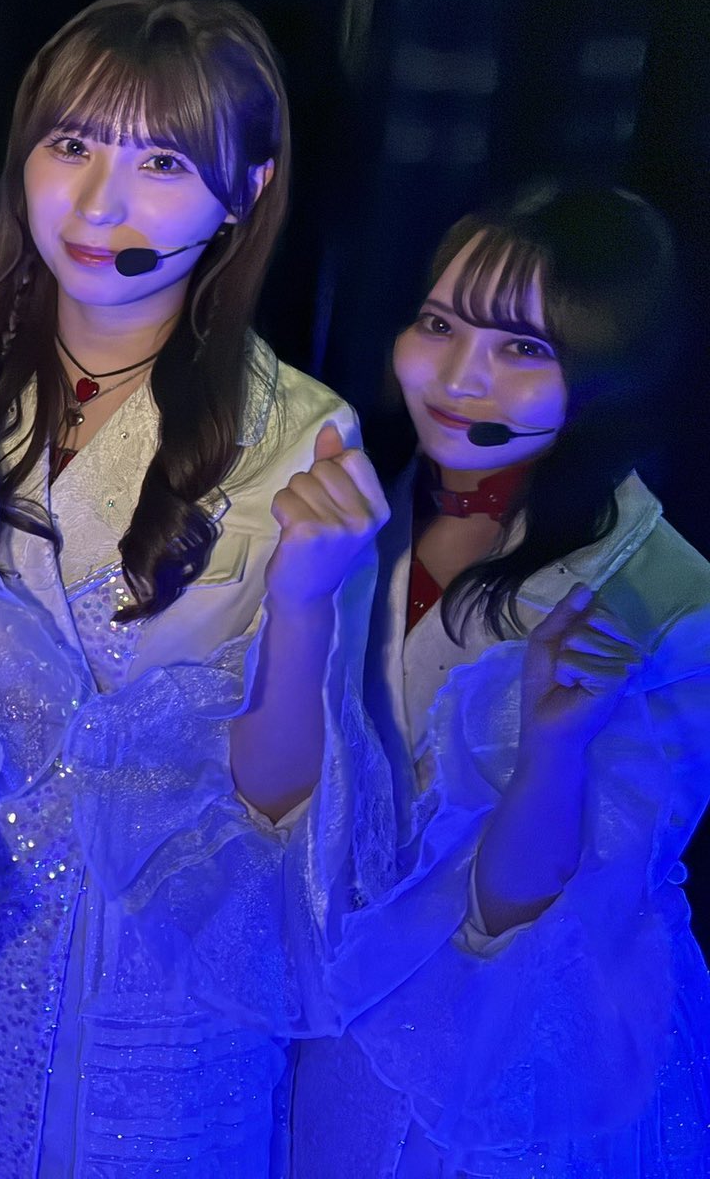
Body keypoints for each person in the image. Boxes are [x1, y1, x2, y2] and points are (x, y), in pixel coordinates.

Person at [0, 0, 388, 1174]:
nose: (100, 203)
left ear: (244, 191)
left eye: (160, 161)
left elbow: (285, 809)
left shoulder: (299, 438)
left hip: (159, 1006)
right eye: (71, 145)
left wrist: (304, 602)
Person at [294, 186, 710, 1176]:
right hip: (331, 1030)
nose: (457, 376)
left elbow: (556, 917)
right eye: (438, 325)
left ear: (608, 370)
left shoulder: (666, 598)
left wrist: (552, 750)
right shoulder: (351, 507)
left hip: (522, 1064)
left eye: (520, 347)